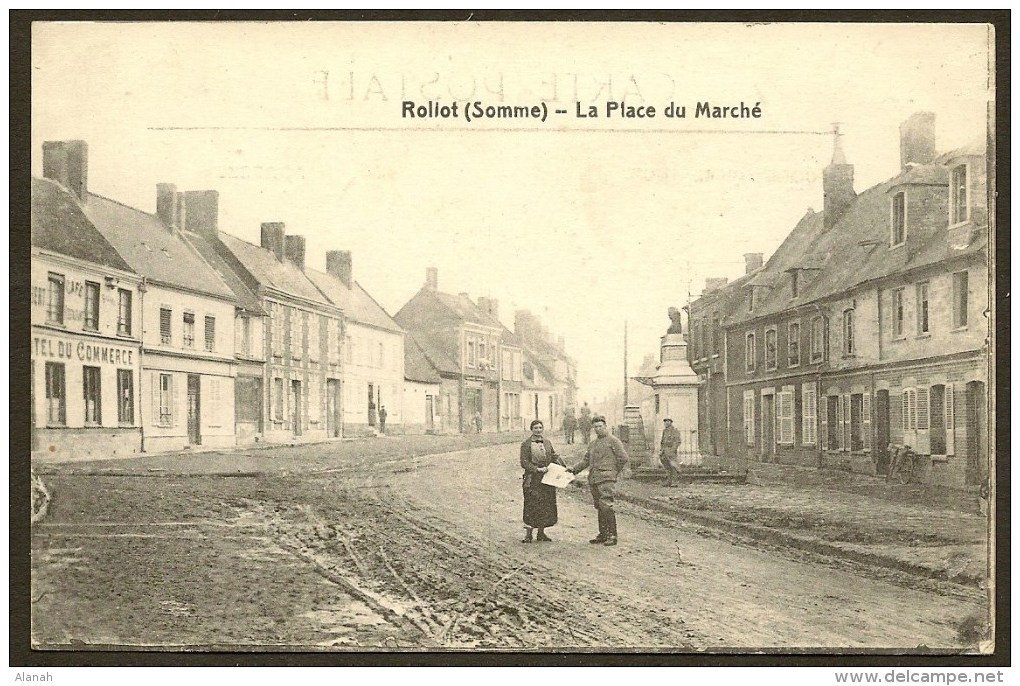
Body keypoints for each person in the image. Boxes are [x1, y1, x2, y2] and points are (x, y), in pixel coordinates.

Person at [567, 415, 630, 546]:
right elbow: (585, 460)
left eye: (600, 426)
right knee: (599, 506)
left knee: (606, 505)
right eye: (595, 427)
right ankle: (603, 534)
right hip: (594, 479)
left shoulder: (614, 441)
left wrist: (613, 472)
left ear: (605, 426)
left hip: (607, 479)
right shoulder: (593, 443)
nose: (598, 429)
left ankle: (612, 535)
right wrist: (573, 470)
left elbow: (623, 458)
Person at [519, 419, 565, 543]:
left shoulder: (547, 442)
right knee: (531, 505)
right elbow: (524, 462)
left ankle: (541, 533)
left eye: (540, 428)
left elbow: (554, 456)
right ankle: (528, 535)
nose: (538, 430)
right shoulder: (526, 444)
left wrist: (563, 468)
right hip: (532, 479)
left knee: (545, 504)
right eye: (535, 428)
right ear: (531, 429)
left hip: (547, 478)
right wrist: (536, 469)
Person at [659, 418, 683, 487]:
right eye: (665, 422)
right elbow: (662, 441)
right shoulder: (665, 431)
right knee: (667, 466)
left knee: (673, 466)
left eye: (667, 421)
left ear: (671, 422)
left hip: (671, 451)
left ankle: (674, 481)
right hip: (664, 451)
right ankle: (669, 481)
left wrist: (673, 450)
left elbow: (677, 441)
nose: (666, 423)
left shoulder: (674, 431)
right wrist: (661, 450)